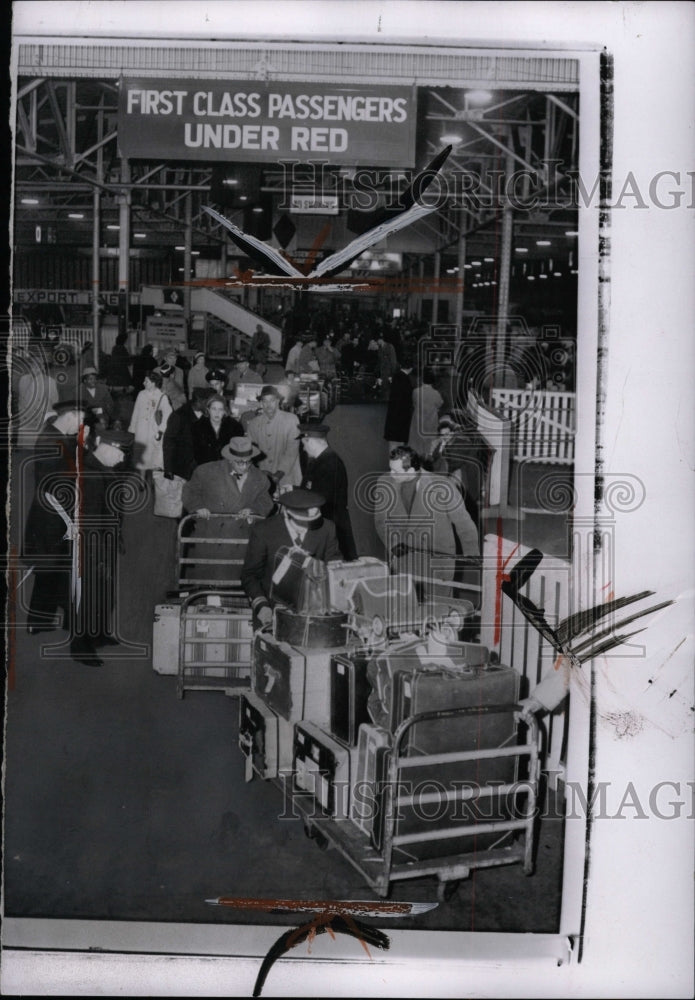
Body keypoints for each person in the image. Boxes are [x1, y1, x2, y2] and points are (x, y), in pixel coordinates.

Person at [373, 445, 479, 598]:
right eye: (390, 469)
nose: (391, 474)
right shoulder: (384, 482)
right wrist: (393, 543)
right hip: (404, 560)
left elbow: (464, 524)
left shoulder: (443, 486)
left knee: (440, 609)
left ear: (411, 470)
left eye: (396, 471)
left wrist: (471, 553)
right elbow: (380, 520)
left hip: (438, 561)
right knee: (407, 608)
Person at [241, 488, 341, 628]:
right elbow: (249, 575)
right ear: (287, 514)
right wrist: (261, 606)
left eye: (311, 523)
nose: (306, 527)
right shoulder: (264, 530)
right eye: (301, 523)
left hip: (315, 612)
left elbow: (335, 569)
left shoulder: (327, 528)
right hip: (272, 611)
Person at [181, 436, 274, 585]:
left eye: (248, 462)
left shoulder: (260, 478)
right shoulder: (206, 471)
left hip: (240, 539)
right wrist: (197, 507)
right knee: (206, 582)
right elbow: (189, 491)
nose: (244, 466)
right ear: (230, 459)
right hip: (210, 535)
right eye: (239, 462)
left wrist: (253, 509)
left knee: (234, 582)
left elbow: (266, 501)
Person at [298, 423, 358, 561]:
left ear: (311, 442)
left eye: (304, 444)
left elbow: (321, 499)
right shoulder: (320, 460)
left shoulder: (330, 463)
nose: (304, 449)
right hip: (326, 524)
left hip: (330, 526)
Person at [429, 412, 491, 530]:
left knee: (448, 480)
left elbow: (452, 464)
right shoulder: (447, 441)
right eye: (442, 435)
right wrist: (441, 446)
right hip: (462, 474)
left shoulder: (461, 443)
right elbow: (435, 458)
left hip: (468, 479)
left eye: (447, 434)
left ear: (453, 432)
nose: (445, 437)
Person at [246, 384, 302, 489]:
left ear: (278, 401)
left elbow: (292, 451)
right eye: (265, 401)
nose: (268, 405)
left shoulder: (291, 420)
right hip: (263, 478)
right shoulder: (254, 423)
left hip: (287, 476)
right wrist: (261, 473)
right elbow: (251, 452)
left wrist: (278, 474)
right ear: (261, 403)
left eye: (272, 400)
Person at [128, 369, 172, 476]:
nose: (143, 383)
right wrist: (133, 428)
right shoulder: (141, 394)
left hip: (154, 431)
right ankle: (142, 480)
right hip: (141, 429)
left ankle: (154, 479)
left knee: (154, 456)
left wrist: (161, 430)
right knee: (141, 456)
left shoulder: (162, 396)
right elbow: (136, 411)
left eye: (146, 381)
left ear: (153, 383)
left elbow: (168, 414)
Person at [162, 387, 210, 482]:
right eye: (207, 403)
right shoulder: (179, 416)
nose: (209, 406)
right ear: (200, 402)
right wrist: (168, 469)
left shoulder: (206, 415)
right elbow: (168, 443)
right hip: (183, 469)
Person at [15, 354, 59, 449]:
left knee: (38, 449)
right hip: (25, 420)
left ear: (43, 367)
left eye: (38, 365)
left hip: (40, 421)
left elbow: (54, 403)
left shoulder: (50, 382)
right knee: (25, 451)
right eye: (32, 364)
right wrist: (21, 415)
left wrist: (49, 421)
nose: (35, 367)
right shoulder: (23, 379)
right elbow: (21, 400)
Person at [191, 393, 244, 467]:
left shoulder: (235, 427)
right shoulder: (196, 427)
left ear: (225, 411)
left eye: (220, 409)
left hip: (228, 468)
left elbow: (238, 453)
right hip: (204, 468)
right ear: (208, 410)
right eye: (214, 409)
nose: (217, 413)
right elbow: (193, 454)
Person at [409, 367, 443, 458]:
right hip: (431, 421)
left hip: (418, 420)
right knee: (429, 446)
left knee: (416, 445)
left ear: (422, 380)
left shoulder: (415, 392)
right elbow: (440, 404)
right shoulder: (436, 393)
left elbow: (414, 403)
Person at [383, 355, 416, 448]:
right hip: (402, 414)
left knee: (393, 442)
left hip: (393, 412)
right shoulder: (406, 380)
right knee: (399, 441)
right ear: (410, 368)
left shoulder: (396, 376)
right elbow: (408, 398)